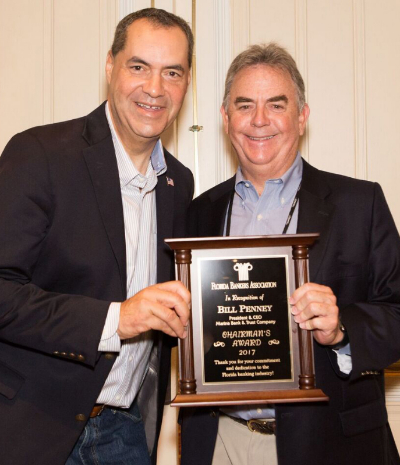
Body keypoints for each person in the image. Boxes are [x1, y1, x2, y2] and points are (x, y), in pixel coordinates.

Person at [180, 43, 400, 465]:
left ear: (301, 116)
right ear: (226, 119)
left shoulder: (360, 203)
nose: (259, 120)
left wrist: (343, 330)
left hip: (330, 445)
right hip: (220, 441)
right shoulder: (199, 213)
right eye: (244, 106)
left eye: (276, 105)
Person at [0, 8, 194, 465]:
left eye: (172, 72)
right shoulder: (40, 154)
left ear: (187, 83)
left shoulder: (180, 184)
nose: (155, 88)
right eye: (138, 67)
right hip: (30, 429)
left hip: (125, 432)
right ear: (110, 66)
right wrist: (115, 319)